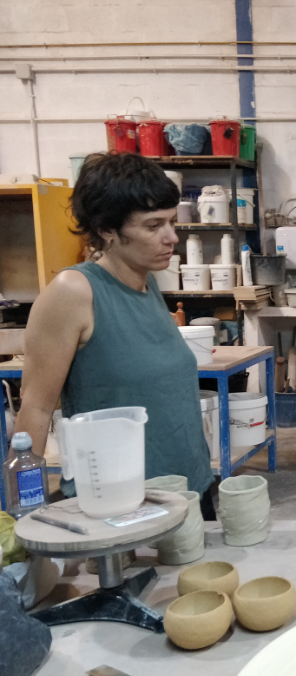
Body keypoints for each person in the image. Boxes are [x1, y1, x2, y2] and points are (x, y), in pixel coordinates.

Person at [14, 152, 213, 507]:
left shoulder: (148, 283)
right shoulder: (74, 292)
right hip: (117, 504)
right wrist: (23, 511)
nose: (171, 237)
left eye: (171, 222)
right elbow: (36, 409)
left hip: (186, 491)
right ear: (107, 229)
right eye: (153, 226)